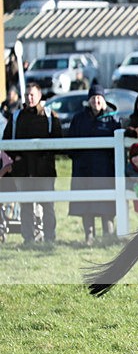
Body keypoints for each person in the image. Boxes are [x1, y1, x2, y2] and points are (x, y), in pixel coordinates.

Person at [1, 82, 62, 244]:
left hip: (44, 170)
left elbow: (59, 143)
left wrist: (46, 157)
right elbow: (6, 142)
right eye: (27, 95)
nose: (29, 98)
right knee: (26, 206)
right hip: (23, 170)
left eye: (32, 95)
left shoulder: (50, 116)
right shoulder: (16, 117)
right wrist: (16, 158)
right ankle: (28, 239)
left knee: (47, 205)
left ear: (39, 96)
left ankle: (49, 238)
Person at [68, 84, 121, 245]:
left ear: (103, 99)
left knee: (107, 204)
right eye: (93, 98)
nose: (96, 101)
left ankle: (108, 236)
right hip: (83, 169)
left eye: (99, 97)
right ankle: (89, 237)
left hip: (105, 170)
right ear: (88, 100)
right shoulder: (79, 119)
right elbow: (70, 144)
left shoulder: (113, 119)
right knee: (86, 204)